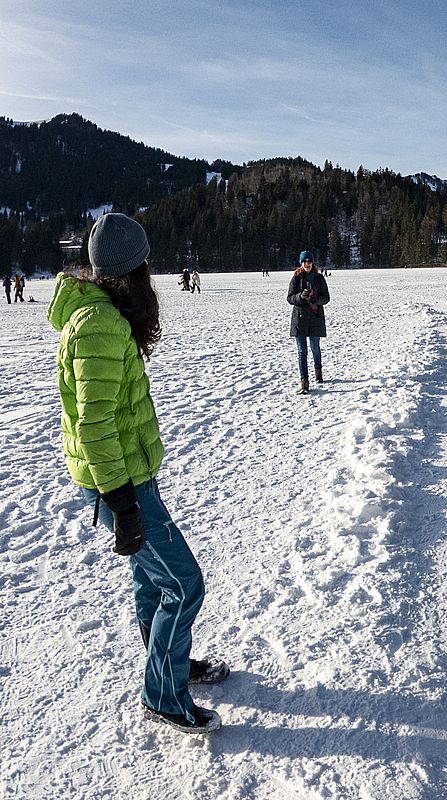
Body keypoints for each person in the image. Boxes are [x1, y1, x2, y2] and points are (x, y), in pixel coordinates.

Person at [48, 213, 227, 735]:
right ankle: (163, 695)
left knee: (152, 580)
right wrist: (123, 504)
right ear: (131, 272)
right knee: (184, 584)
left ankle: (165, 665)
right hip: (118, 484)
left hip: (128, 478)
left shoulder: (104, 316)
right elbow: (95, 424)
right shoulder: (99, 326)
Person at [287, 251, 330, 394]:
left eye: (309, 261)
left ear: (312, 263)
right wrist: (300, 296)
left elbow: (326, 298)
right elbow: (290, 298)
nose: (307, 264)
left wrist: (315, 300)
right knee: (302, 351)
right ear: (301, 263)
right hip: (299, 319)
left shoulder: (319, 278)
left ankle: (318, 373)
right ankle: (304, 382)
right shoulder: (296, 277)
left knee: (315, 348)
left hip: (315, 318)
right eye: (305, 261)